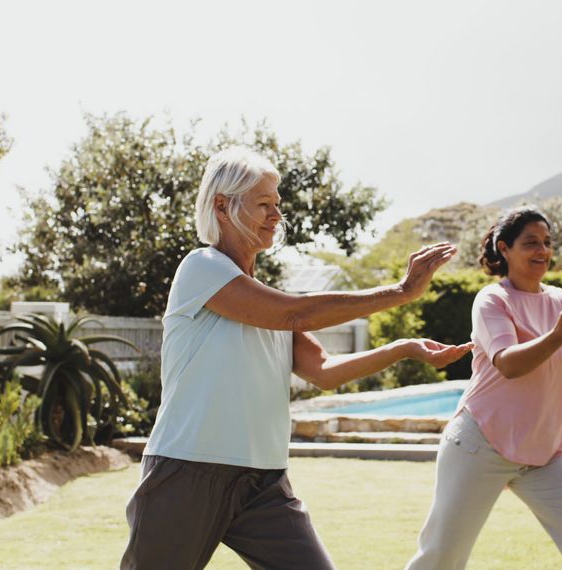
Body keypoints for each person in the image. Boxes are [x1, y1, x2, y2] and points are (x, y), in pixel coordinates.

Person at [120, 146, 472, 570]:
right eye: (263, 204)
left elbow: (323, 372)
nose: (276, 216)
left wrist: (404, 348)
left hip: (263, 480)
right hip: (189, 469)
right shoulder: (203, 268)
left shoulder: (264, 297)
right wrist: (398, 293)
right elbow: (293, 311)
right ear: (222, 206)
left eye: (277, 205)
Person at [406, 207, 562, 570]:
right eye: (530, 243)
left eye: (547, 243)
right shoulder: (493, 300)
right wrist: (557, 337)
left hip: (544, 452)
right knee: (442, 558)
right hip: (480, 443)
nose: (542, 251)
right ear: (504, 249)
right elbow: (508, 363)